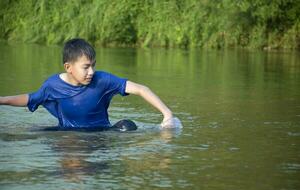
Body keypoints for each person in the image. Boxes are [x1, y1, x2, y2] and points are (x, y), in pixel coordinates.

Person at [0, 38, 181, 131]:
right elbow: (31, 98)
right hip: (69, 137)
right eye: (86, 67)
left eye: (93, 66)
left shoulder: (102, 81)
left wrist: (167, 115)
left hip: (101, 135)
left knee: (128, 126)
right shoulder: (52, 85)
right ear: (68, 67)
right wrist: (2, 100)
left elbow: (141, 89)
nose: (91, 72)